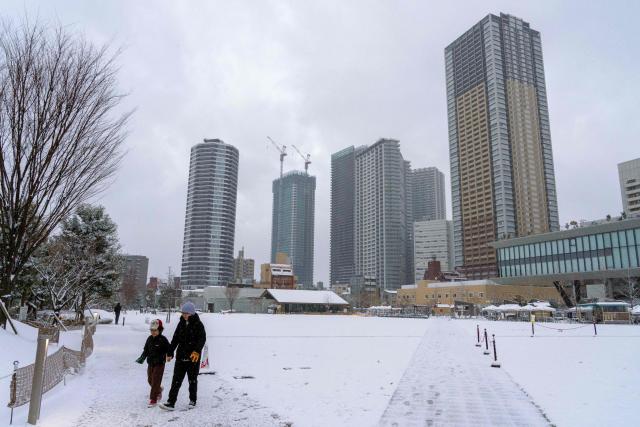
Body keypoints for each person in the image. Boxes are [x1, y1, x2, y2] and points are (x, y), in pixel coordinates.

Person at [159, 302, 206, 411]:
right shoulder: (181, 323)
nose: (184, 315)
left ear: (192, 313)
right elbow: (175, 339)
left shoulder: (198, 325)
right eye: (183, 313)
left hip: (193, 358)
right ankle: (171, 402)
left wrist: (196, 351)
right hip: (181, 356)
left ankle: (192, 400)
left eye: (187, 313)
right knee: (176, 380)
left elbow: (202, 339)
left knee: (192, 380)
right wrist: (170, 352)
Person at [136, 319, 170, 406]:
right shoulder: (149, 339)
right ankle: (158, 390)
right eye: (151, 330)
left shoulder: (163, 340)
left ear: (160, 330)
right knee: (150, 380)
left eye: (155, 330)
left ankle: (153, 399)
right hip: (150, 363)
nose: (153, 332)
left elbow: (169, 349)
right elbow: (146, 350)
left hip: (160, 363)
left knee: (155, 380)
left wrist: (170, 355)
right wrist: (142, 357)